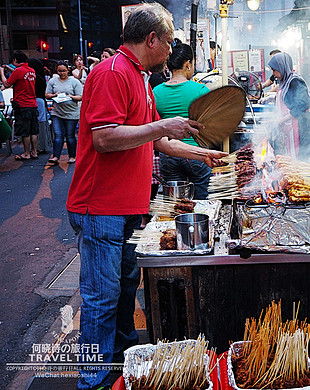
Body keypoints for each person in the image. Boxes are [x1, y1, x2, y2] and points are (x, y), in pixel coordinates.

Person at [65, 4, 226, 389]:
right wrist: (160, 124)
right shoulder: (112, 73)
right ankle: (93, 381)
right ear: (151, 39)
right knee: (101, 299)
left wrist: (204, 153)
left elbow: (160, 141)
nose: (171, 51)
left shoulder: (138, 76)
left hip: (126, 208)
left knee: (122, 292)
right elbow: (104, 139)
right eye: (168, 42)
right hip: (100, 207)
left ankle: (121, 366)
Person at [153, 38, 212, 199]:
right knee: (202, 201)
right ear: (188, 64)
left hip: (168, 154)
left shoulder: (156, 92)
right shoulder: (200, 89)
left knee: (175, 203)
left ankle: (178, 223)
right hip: (197, 154)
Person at [267, 52, 310, 158]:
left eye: (274, 70)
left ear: (282, 67)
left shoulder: (295, 81)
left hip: (299, 127)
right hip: (289, 127)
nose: (273, 74)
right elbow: (287, 98)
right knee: (289, 160)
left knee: (298, 161)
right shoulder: (285, 80)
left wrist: (281, 120)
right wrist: (271, 98)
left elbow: (303, 104)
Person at [0, 50, 38, 160]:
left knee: (25, 131)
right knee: (33, 130)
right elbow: (21, 74)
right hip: (33, 103)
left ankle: (26, 153)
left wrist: (2, 72)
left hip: (22, 104)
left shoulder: (18, 71)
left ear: (16, 60)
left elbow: (7, 84)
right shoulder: (31, 70)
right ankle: (34, 152)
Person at [45, 61, 83, 164]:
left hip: (72, 113)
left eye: (64, 71)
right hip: (57, 112)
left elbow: (80, 96)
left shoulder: (74, 82)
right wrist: (54, 95)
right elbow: (47, 94)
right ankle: (56, 156)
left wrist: (70, 97)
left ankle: (72, 156)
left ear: (68, 70)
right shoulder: (53, 81)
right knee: (58, 134)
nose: (62, 73)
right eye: (59, 71)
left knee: (70, 135)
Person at [27, 58, 52, 154]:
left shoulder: (34, 78)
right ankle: (43, 145)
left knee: (37, 124)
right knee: (42, 123)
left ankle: (37, 146)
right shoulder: (41, 77)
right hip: (41, 101)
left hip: (35, 101)